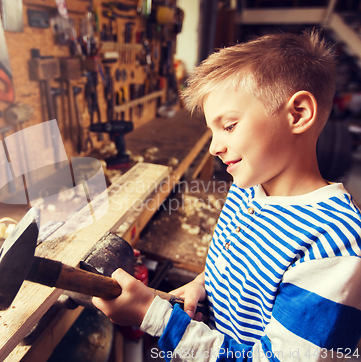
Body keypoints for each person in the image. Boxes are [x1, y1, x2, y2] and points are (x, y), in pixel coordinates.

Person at [93, 30, 361, 361]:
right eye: (212, 130)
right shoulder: (247, 188)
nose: (214, 147)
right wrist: (204, 286)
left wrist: (155, 317)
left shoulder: (333, 249)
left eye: (229, 126)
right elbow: (239, 269)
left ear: (299, 113)